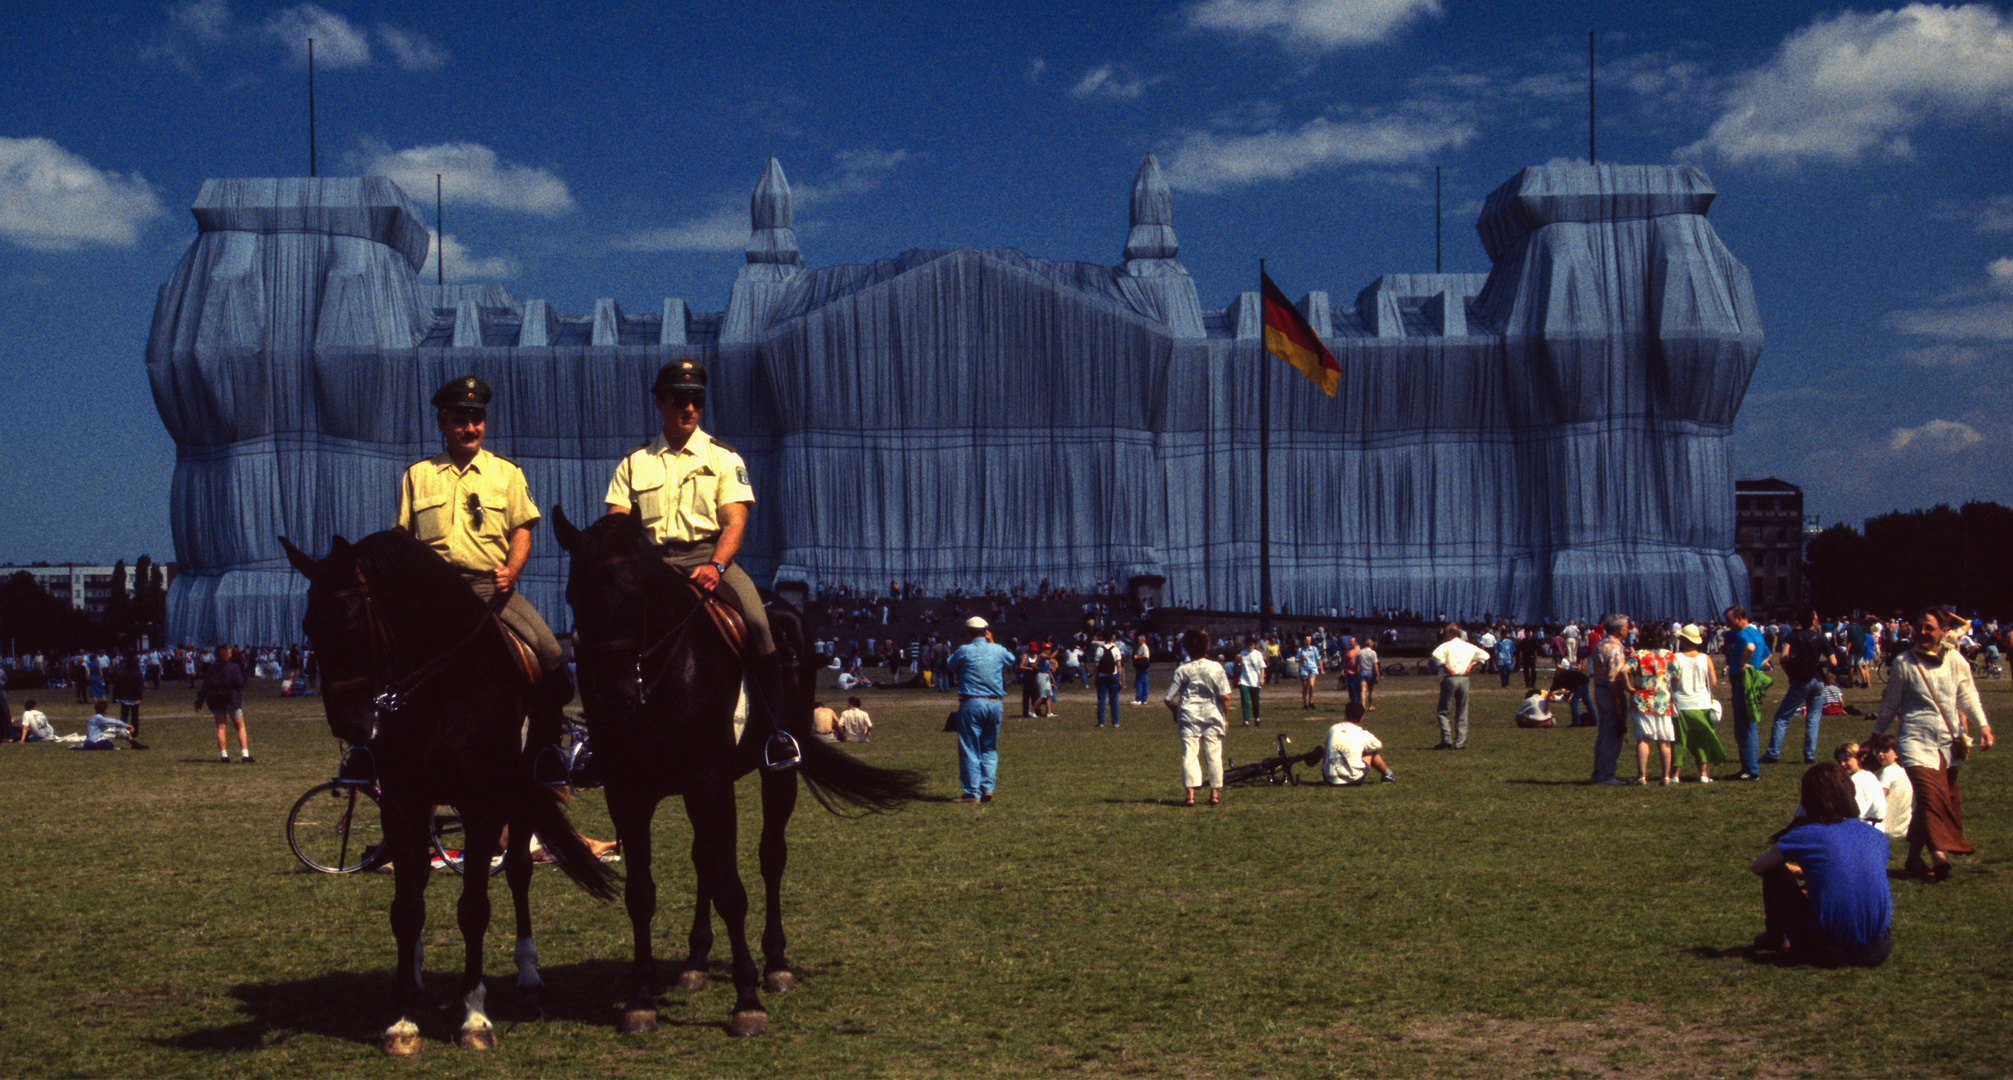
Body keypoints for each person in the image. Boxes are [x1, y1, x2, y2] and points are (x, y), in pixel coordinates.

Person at [605, 360, 800, 771]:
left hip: (705, 558)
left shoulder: (724, 458)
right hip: (651, 566)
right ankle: (601, 739)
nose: (689, 408)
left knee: (759, 623)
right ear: (660, 403)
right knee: (597, 634)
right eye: (679, 399)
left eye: (696, 400)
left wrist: (716, 566)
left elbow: (735, 522)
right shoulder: (634, 463)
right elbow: (617, 522)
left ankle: (779, 733)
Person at [398, 375, 575, 777]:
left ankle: (544, 753)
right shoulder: (417, 475)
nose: (470, 428)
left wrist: (512, 570)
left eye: (476, 419)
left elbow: (522, 530)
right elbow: (401, 538)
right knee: (381, 662)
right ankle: (372, 754)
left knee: (549, 653)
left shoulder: (507, 474)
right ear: (442, 423)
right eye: (460, 420)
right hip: (432, 597)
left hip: (489, 590)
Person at [1872, 606, 1993, 882]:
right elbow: (1890, 703)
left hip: (1947, 742)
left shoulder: (1956, 660)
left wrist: (1983, 725)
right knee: (1929, 797)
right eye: (1919, 627)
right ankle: (1939, 854)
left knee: (1943, 798)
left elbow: (1968, 696)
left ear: (1943, 631)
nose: (1922, 632)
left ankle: (1914, 857)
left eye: (1929, 628)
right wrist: (1877, 733)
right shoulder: (1904, 661)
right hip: (1914, 740)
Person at [1748, 764, 1893, 967]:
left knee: (1775, 873)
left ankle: (1775, 936)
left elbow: (1759, 867)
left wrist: (1792, 871)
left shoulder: (1806, 835)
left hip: (1827, 950)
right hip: (1878, 948)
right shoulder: (1875, 835)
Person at [946, 617, 1015, 803]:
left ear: (968, 633)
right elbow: (1012, 660)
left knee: (970, 747)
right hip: (995, 703)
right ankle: (987, 788)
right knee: (989, 747)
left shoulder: (964, 650)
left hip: (972, 702)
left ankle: (971, 792)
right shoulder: (999, 650)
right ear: (986, 632)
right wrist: (992, 642)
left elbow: (949, 663)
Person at [1162, 628, 1231, 806]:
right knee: (1214, 755)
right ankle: (1214, 794)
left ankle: (1190, 796)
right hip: (1213, 716)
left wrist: (1176, 712)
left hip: (1188, 716)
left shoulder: (1182, 670)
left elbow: (1168, 698)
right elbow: (1225, 696)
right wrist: (1226, 717)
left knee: (1190, 755)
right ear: (1206, 647)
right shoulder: (1216, 668)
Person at [1764, 606, 1831, 764]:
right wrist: (1820, 665)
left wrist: (1790, 674)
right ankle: (1809, 754)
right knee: (1813, 719)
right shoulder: (1821, 638)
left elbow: (1783, 657)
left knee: (1782, 717)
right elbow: (1834, 661)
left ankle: (1773, 753)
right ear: (1813, 620)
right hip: (1818, 679)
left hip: (1801, 679)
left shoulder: (1793, 636)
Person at [1669, 623, 1727, 783]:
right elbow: (1713, 682)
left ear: (1683, 640)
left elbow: (1674, 679)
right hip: (1702, 704)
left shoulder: (1676, 657)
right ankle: (1703, 774)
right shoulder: (1705, 658)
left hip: (1681, 705)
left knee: (1679, 741)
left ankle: (1675, 774)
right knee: (1701, 740)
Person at [1625, 622, 1677, 785]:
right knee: (1664, 740)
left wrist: (1628, 687)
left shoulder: (1638, 655)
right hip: (1662, 701)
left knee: (1643, 739)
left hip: (1641, 700)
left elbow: (1623, 670)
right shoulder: (1668, 655)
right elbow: (1676, 676)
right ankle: (1666, 777)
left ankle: (1642, 777)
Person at [1722, 606, 1769, 780]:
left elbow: (1749, 647)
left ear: (1740, 617)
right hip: (1752, 681)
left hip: (1742, 681)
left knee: (1743, 726)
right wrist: (1755, 667)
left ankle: (1749, 770)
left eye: (1730, 620)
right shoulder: (1757, 633)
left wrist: (1742, 664)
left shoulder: (1743, 634)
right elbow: (1766, 654)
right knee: (1750, 725)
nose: (1728, 625)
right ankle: (1750, 767)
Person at [1429, 624, 1489, 750]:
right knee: (1462, 710)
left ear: (1449, 635)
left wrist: (1445, 667)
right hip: (1464, 679)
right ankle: (1460, 742)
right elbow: (1485, 655)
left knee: (1443, 711)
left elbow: (1435, 656)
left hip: (1450, 678)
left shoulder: (1446, 646)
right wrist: (1472, 664)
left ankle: (1446, 739)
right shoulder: (1468, 646)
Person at [1589, 614, 1633, 784]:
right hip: (1611, 692)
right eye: (1627, 626)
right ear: (1621, 629)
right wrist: (1618, 701)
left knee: (1603, 733)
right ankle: (1606, 775)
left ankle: (1599, 772)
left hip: (1601, 690)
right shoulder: (1615, 649)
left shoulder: (1602, 643)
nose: (1628, 629)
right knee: (1613, 734)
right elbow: (1614, 678)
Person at [1322, 701, 1396, 784]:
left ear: (1345, 715)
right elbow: (1378, 746)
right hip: (1353, 779)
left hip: (1329, 779)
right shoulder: (1363, 734)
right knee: (1370, 751)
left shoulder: (1333, 729)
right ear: (1361, 719)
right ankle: (1388, 775)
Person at [199, 644, 251, 763]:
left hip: (216, 699)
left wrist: (199, 703)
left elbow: (205, 686)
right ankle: (245, 754)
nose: (231, 653)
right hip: (232, 699)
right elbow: (240, 683)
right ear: (226, 654)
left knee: (221, 727)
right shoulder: (233, 667)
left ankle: (224, 755)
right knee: (240, 727)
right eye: (229, 651)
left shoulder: (212, 668)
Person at [1864, 733, 1913, 843]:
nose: (1880, 754)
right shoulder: (1905, 771)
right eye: (1878, 751)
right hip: (1905, 828)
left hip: (1887, 829)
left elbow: (1879, 800)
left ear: (1897, 754)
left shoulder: (1888, 771)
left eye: (1885, 751)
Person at [1834, 742, 1885, 828]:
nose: (1842, 764)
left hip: (1864, 828)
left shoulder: (1860, 779)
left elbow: (1858, 812)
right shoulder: (1865, 776)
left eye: (1846, 760)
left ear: (1858, 759)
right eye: (1840, 761)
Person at [1091, 629, 1126, 729]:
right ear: (1112, 638)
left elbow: (1096, 666)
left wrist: (1096, 678)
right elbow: (1119, 666)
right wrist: (1120, 679)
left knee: (1101, 700)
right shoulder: (1115, 649)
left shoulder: (1099, 649)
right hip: (1113, 675)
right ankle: (1115, 722)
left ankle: (1101, 722)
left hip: (1102, 676)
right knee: (1114, 699)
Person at [76, 700, 142, 751]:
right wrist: (128, 726)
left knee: (117, 727)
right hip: (95, 741)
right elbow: (114, 722)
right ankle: (134, 744)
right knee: (118, 727)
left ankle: (134, 743)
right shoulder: (99, 718)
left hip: (90, 741)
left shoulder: (94, 717)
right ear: (105, 709)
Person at [112, 654, 145, 740]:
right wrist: (139, 698)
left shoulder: (121, 673)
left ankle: (124, 732)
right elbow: (140, 687)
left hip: (124, 697)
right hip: (134, 697)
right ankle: (135, 732)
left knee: (124, 717)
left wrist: (115, 697)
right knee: (135, 717)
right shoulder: (138, 673)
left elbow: (117, 686)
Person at [1235, 637, 1266, 727]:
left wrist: (1262, 678)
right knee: (1245, 700)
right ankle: (1246, 720)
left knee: (1255, 700)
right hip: (1244, 679)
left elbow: (1262, 667)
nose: (1249, 646)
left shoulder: (1258, 654)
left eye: (1251, 644)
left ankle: (1257, 718)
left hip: (1255, 680)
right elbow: (1238, 665)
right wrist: (1237, 660)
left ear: (1254, 645)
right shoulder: (1243, 653)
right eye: (1248, 644)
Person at [1356, 637, 1380, 711]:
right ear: (1371, 645)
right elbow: (1375, 664)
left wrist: (1357, 672)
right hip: (1370, 671)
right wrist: (1378, 674)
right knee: (1370, 690)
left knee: (1363, 690)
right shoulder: (1373, 653)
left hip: (1362, 671)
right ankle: (1370, 706)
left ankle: (1363, 705)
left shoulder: (1359, 652)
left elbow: (1357, 664)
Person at [1130, 632, 1153, 705]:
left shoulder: (1144, 647)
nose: (1138, 641)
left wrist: (1137, 657)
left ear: (1143, 640)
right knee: (1144, 682)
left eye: (1139, 640)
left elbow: (1146, 656)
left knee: (1139, 682)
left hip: (1142, 666)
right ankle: (1144, 699)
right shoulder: (1141, 647)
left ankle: (1139, 699)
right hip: (1142, 667)